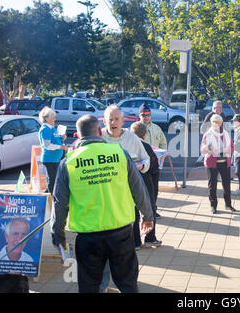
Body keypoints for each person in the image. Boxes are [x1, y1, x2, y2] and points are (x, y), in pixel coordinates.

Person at [50, 114, 154, 293]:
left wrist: (57, 234)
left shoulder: (68, 162)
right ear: (100, 131)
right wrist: (148, 216)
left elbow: (59, 203)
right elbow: (139, 188)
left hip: (88, 237)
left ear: (78, 136)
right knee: (128, 284)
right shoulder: (119, 153)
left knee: (90, 286)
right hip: (121, 233)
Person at [100, 105, 150, 292]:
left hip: (125, 204)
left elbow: (147, 161)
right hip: (102, 203)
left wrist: (138, 167)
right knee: (102, 254)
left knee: (123, 254)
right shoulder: (98, 140)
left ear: (122, 121)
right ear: (104, 121)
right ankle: (104, 284)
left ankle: (125, 284)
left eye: (116, 119)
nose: (113, 123)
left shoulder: (132, 139)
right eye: (109, 119)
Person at [130, 121, 162, 248]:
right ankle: (150, 238)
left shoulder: (126, 147)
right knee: (149, 210)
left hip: (131, 185)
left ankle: (135, 242)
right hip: (146, 184)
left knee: (133, 212)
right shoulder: (147, 147)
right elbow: (154, 170)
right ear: (144, 135)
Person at [200, 114, 235, 214]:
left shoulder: (226, 134)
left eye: (217, 122)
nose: (215, 124)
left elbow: (232, 148)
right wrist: (207, 147)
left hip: (224, 162)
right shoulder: (208, 134)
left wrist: (225, 149)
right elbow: (202, 149)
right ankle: (213, 205)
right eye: (213, 122)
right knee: (212, 185)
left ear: (220, 123)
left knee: (226, 184)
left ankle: (228, 205)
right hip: (212, 163)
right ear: (211, 123)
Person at [139, 103, 166, 218]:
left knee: (154, 188)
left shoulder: (156, 128)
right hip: (141, 164)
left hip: (154, 163)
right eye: (144, 115)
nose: (146, 117)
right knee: (143, 189)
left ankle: (153, 209)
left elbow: (163, 142)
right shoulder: (136, 128)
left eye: (148, 114)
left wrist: (162, 153)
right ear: (140, 115)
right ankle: (145, 211)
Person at [38, 106, 67, 194]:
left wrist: (63, 139)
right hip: (50, 159)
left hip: (56, 158)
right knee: (52, 180)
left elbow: (57, 141)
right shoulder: (45, 129)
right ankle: (51, 198)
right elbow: (47, 145)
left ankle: (47, 195)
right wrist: (60, 147)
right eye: (53, 117)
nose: (55, 119)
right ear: (47, 118)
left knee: (53, 179)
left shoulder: (52, 128)